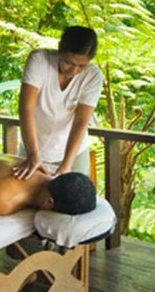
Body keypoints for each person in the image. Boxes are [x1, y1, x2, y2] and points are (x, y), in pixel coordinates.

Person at [12, 26, 104, 180]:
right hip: (33, 146)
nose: (74, 70)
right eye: (69, 62)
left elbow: (81, 121)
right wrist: (33, 154)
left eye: (81, 66)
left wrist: (66, 166)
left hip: (73, 153)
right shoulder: (39, 60)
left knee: (74, 193)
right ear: (60, 50)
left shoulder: (93, 76)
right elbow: (26, 108)